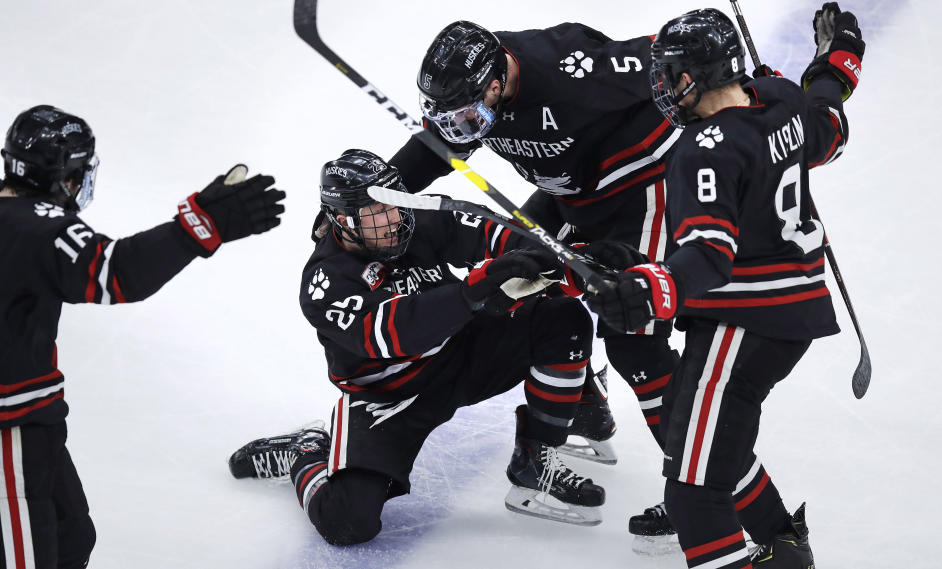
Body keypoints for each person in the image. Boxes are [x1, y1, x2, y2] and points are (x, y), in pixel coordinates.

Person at [229, 149, 625, 544]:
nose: (393, 224)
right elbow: (395, 332)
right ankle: (306, 452)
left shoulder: (414, 221)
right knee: (347, 521)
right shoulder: (326, 281)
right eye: (375, 216)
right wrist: (476, 290)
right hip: (388, 396)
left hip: (462, 352)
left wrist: (571, 262)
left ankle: (537, 459)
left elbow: (497, 235)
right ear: (341, 220)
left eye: (394, 207)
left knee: (562, 317)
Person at [587, 4, 864, 566]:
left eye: (673, 73)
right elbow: (830, 125)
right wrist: (841, 57)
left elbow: (710, 256)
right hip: (792, 311)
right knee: (715, 451)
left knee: (692, 487)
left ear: (704, 73)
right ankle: (786, 549)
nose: (663, 85)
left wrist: (651, 291)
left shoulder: (702, 151)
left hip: (746, 321)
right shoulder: (778, 98)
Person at [0, 104, 285, 568]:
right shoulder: (41, 228)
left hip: (33, 419)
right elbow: (117, 274)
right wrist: (198, 226)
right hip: (8, 432)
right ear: (67, 176)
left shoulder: (16, 217)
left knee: (72, 537)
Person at [389, 19, 684, 467]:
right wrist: (377, 194)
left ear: (496, 81)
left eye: (467, 113)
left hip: (641, 188)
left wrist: (754, 104)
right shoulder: (475, 92)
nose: (462, 127)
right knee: (516, 282)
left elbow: (678, 58)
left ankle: (700, 482)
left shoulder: (571, 67)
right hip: (569, 196)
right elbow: (438, 146)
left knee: (634, 336)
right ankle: (585, 410)